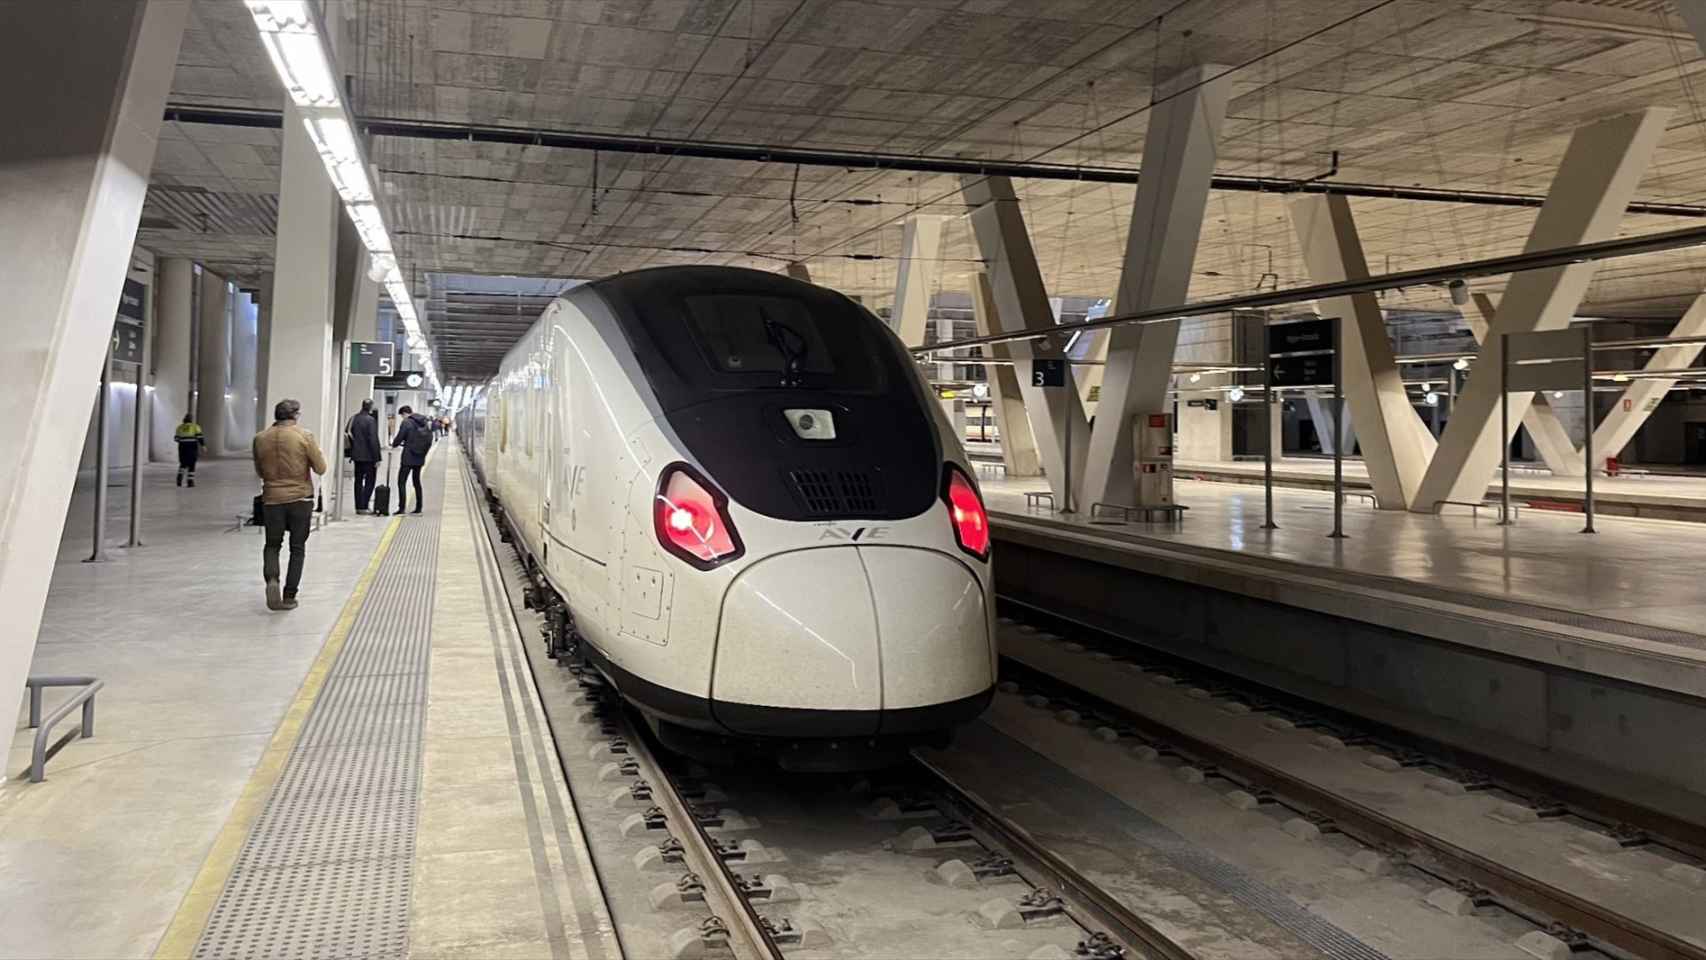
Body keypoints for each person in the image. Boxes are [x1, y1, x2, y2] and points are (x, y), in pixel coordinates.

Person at [253, 398, 327, 611]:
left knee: (272, 544)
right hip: (300, 498)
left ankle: (272, 580)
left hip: (272, 498)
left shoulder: (260, 438)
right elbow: (321, 468)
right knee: (297, 548)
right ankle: (289, 596)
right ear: (295, 415)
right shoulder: (304, 436)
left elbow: (259, 470)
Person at [392, 405, 433, 515]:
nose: (402, 418)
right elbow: (430, 440)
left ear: (405, 413)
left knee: (401, 482)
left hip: (408, 457)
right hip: (419, 457)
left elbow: (400, 437)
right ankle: (419, 507)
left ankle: (401, 508)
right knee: (417, 482)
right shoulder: (424, 422)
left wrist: (394, 444)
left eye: (402, 415)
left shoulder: (407, 423)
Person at [345, 399, 382, 514]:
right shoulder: (370, 420)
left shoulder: (353, 418)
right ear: (370, 407)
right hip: (369, 457)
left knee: (358, 481)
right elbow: (373, 440)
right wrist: (377, 457)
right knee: (370, 481)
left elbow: (347, 433)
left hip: (356, 456)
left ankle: (358, 506)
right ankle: (364, 506)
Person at [174, 414, 206, 487]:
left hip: (182, 448)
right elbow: (199, 437)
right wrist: (203, 446)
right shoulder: (195, 426)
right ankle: (190, 482)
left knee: (183, 463)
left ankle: (179, 479)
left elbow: (176, 439)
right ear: (191, 420)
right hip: (192, 447)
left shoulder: (179, 427)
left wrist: (183, 440)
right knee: (192, 464)